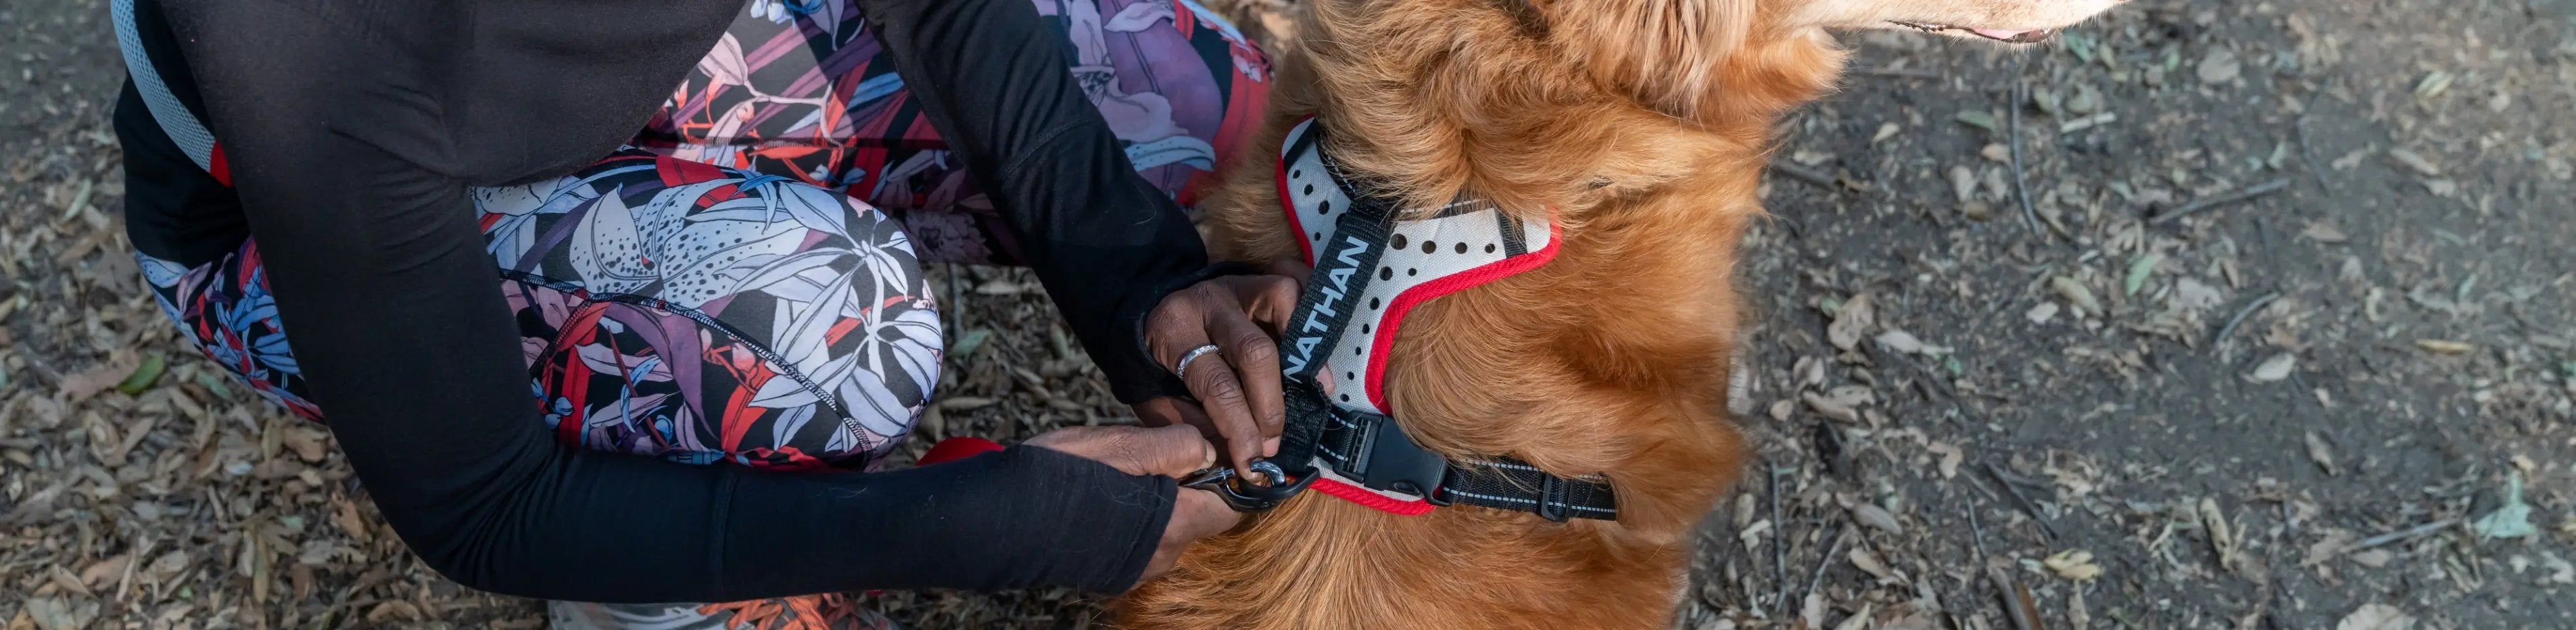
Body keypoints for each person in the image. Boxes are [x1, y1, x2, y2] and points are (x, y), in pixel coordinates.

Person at [108, 0, 1289, 626]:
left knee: (1187, 90)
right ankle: (674, 600)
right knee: (839, 328)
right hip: (288, 230)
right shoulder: (298, 33)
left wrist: (1135, 273)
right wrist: (968, 525)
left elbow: (942, 9)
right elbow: (487, 506)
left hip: (577, 72)